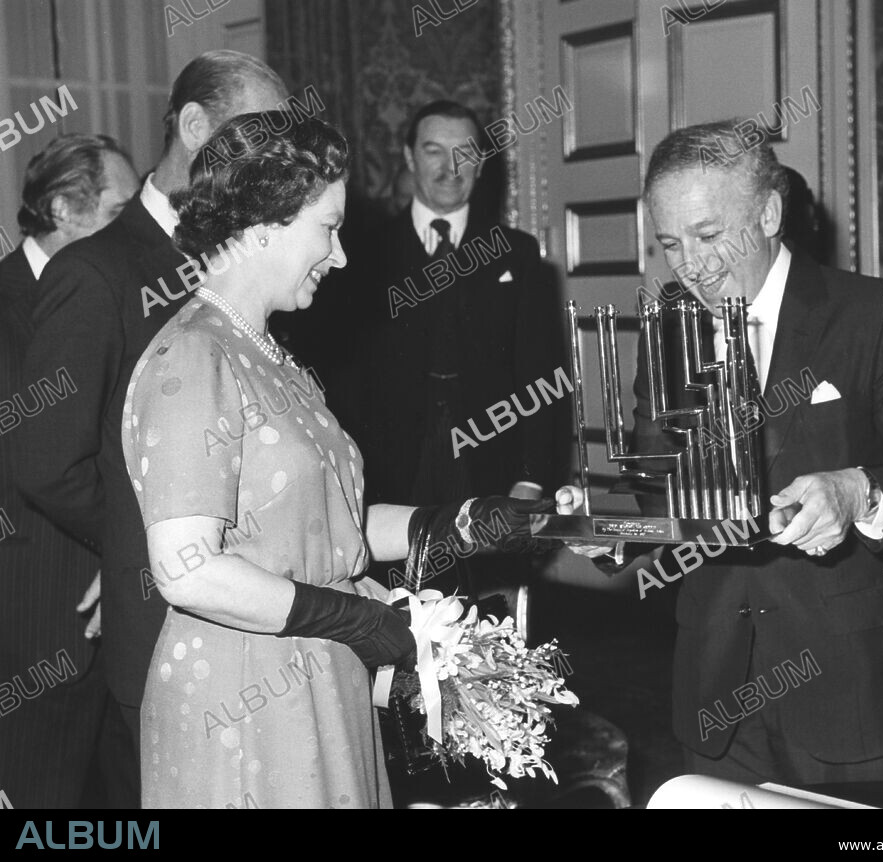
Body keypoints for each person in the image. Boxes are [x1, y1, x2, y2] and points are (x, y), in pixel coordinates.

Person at [121, 112, 590, 808]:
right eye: (328, 228)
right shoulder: (192, 356)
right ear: (265, 224)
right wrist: (354, 618)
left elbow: (328, 524)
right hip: (245, 697)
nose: (340, 256)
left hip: (318, 673)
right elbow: (186, 571)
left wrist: (461, 522)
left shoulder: (271, 353)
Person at [620, 119, 883, 786]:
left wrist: (857, 491)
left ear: (769, 214)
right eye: (670, 244)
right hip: (716, 694)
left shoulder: (874, 312)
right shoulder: (668, 325)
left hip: (859, 695)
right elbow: (655, 486)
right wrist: (604, 521)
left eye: (708, 235)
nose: (690, 267)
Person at [17, 51, 289, 775]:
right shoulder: (95, 270)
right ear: (195, 126)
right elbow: (45, 460)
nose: (276, 156)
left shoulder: (262, 256)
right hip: (155, 631)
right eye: (258, 133)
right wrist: (143, 550)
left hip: (252, 619)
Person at [341, 100, 564, 597]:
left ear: (481, 164)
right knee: (394, 606)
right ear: (409, 157)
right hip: (390, 474)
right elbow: (346, 380)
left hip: (488, 463)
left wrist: (530, 479)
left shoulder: (517, 254)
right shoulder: (364, 253)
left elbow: (543, 377)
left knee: (487, 609)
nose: (450, 167)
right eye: (434, 151)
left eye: (465, 153)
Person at [0, 133, 139, 808]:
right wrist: (120, 547)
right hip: (31, 629)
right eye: (118, 213)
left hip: (124, 620)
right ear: (62, 210)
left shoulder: (119, 295)